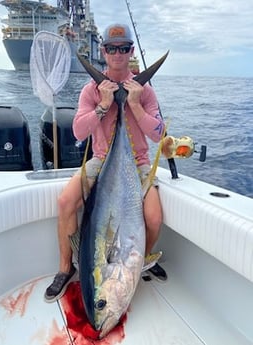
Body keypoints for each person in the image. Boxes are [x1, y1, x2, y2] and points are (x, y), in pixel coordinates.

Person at [44, 23, 167, 303]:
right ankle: (65, 269)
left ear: (130, 51)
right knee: (65, 203)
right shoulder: (92, 90)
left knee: (154, 218)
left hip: (138, 164)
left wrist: (133, 104)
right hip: (102, 161)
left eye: (123, 48)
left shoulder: (144, 90)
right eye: (112, 49)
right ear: (104, 51)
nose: (118, 54)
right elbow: (78, 132)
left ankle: (140, 260)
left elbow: (159, 135)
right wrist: (103, 104)